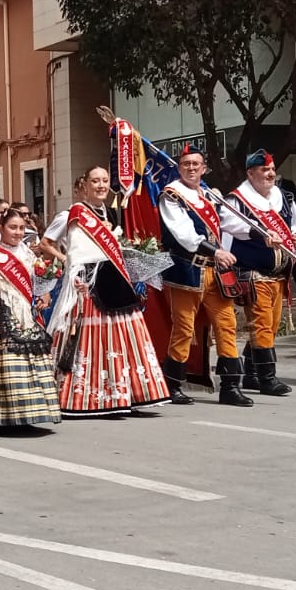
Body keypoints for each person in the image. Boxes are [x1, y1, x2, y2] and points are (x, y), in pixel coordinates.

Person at [46, 166, 170, 416]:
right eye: (95, 181)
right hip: (88, 283)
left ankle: (124, 394)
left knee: (121, 337)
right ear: (85, 185)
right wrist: (69, 264)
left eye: (104, 181)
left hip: (113, 280)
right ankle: (87, 397)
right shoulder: (74, 213)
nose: (101, 185)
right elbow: (51, 244)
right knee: (90, 340)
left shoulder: (111, 213)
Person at [160, 147, 273, 407]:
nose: (191, 168)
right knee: (184, 329)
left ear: (204, 168)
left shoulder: (210, 194)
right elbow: (184, 234)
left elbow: (231, 223)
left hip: (216, 272)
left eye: (196, 164)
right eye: (186, 163)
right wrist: (216, 251)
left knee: (227, 325)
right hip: (187, 271)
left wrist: (261, 235)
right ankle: (172, 385)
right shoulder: (172, 195)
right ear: (179, 168)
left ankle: (230, 386)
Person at [0, 205, 61, 431]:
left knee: (32, 363)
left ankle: (29, 414)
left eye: (21, 228)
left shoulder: (28, 253)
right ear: (0, 228)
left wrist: (45, 292)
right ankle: (3, 416)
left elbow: (36, 280)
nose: (18, 233)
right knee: (4, 366)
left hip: (26, 314)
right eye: (13, 227)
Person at [229, 150, 296, 397]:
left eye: (272, 169)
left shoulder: (285, 197)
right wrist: (259, 233)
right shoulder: (238, 199)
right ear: (251, 174)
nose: (270, 174)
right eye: (264, 170)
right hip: (253, 272)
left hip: (279, 274)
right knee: (261, 325)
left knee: (269, 326)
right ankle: (267, 378)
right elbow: (229, 224)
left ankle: (251, 374)